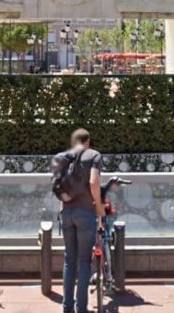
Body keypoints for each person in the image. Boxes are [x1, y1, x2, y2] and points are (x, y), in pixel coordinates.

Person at [55, 128, 105, 313]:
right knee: (84, 261)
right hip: (85, 213)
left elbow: (56, 184)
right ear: (88, 142)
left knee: (69, 260)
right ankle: (81, 308)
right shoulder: (94, 156)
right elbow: (93, 182)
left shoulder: (62, 157)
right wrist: (98, 206)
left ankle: (67, 307)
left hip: (66, 213)